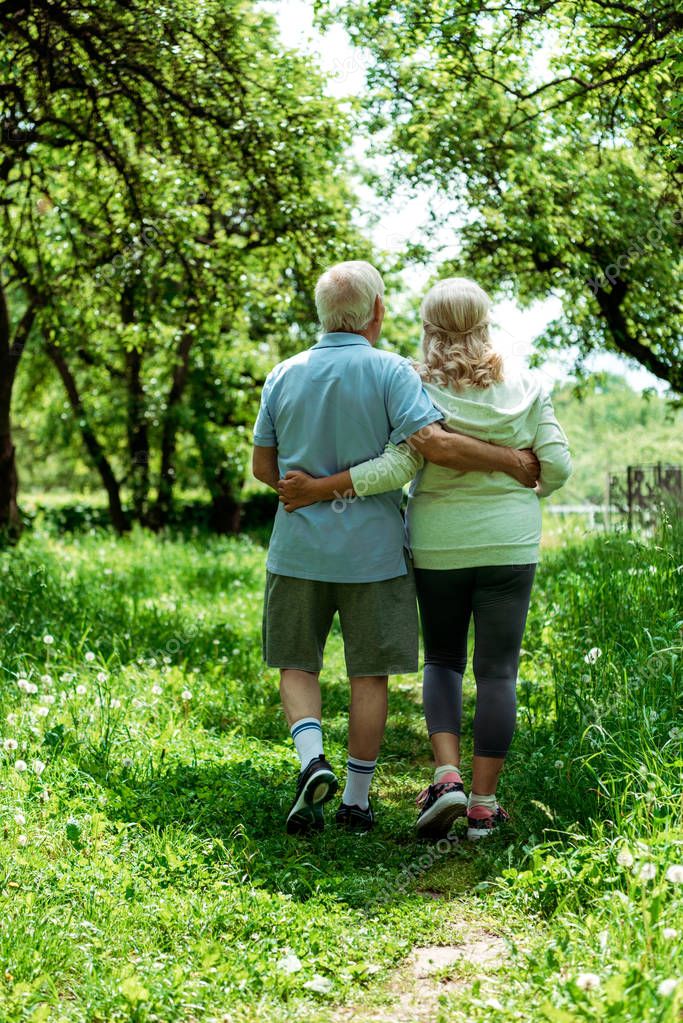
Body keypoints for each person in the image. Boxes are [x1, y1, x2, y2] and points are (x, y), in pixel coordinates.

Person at [252, 263, 541, 836]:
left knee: (296, 662)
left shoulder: (282, 374)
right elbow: (420, 449)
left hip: (298, 552)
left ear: (320, 313)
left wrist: (305, 490)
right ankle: (357, 800)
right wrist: (515, 463)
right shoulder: (392, 373)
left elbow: (264, 468)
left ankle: (312, 759)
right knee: (370, 675)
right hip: (375, 555)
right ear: (377, 312)